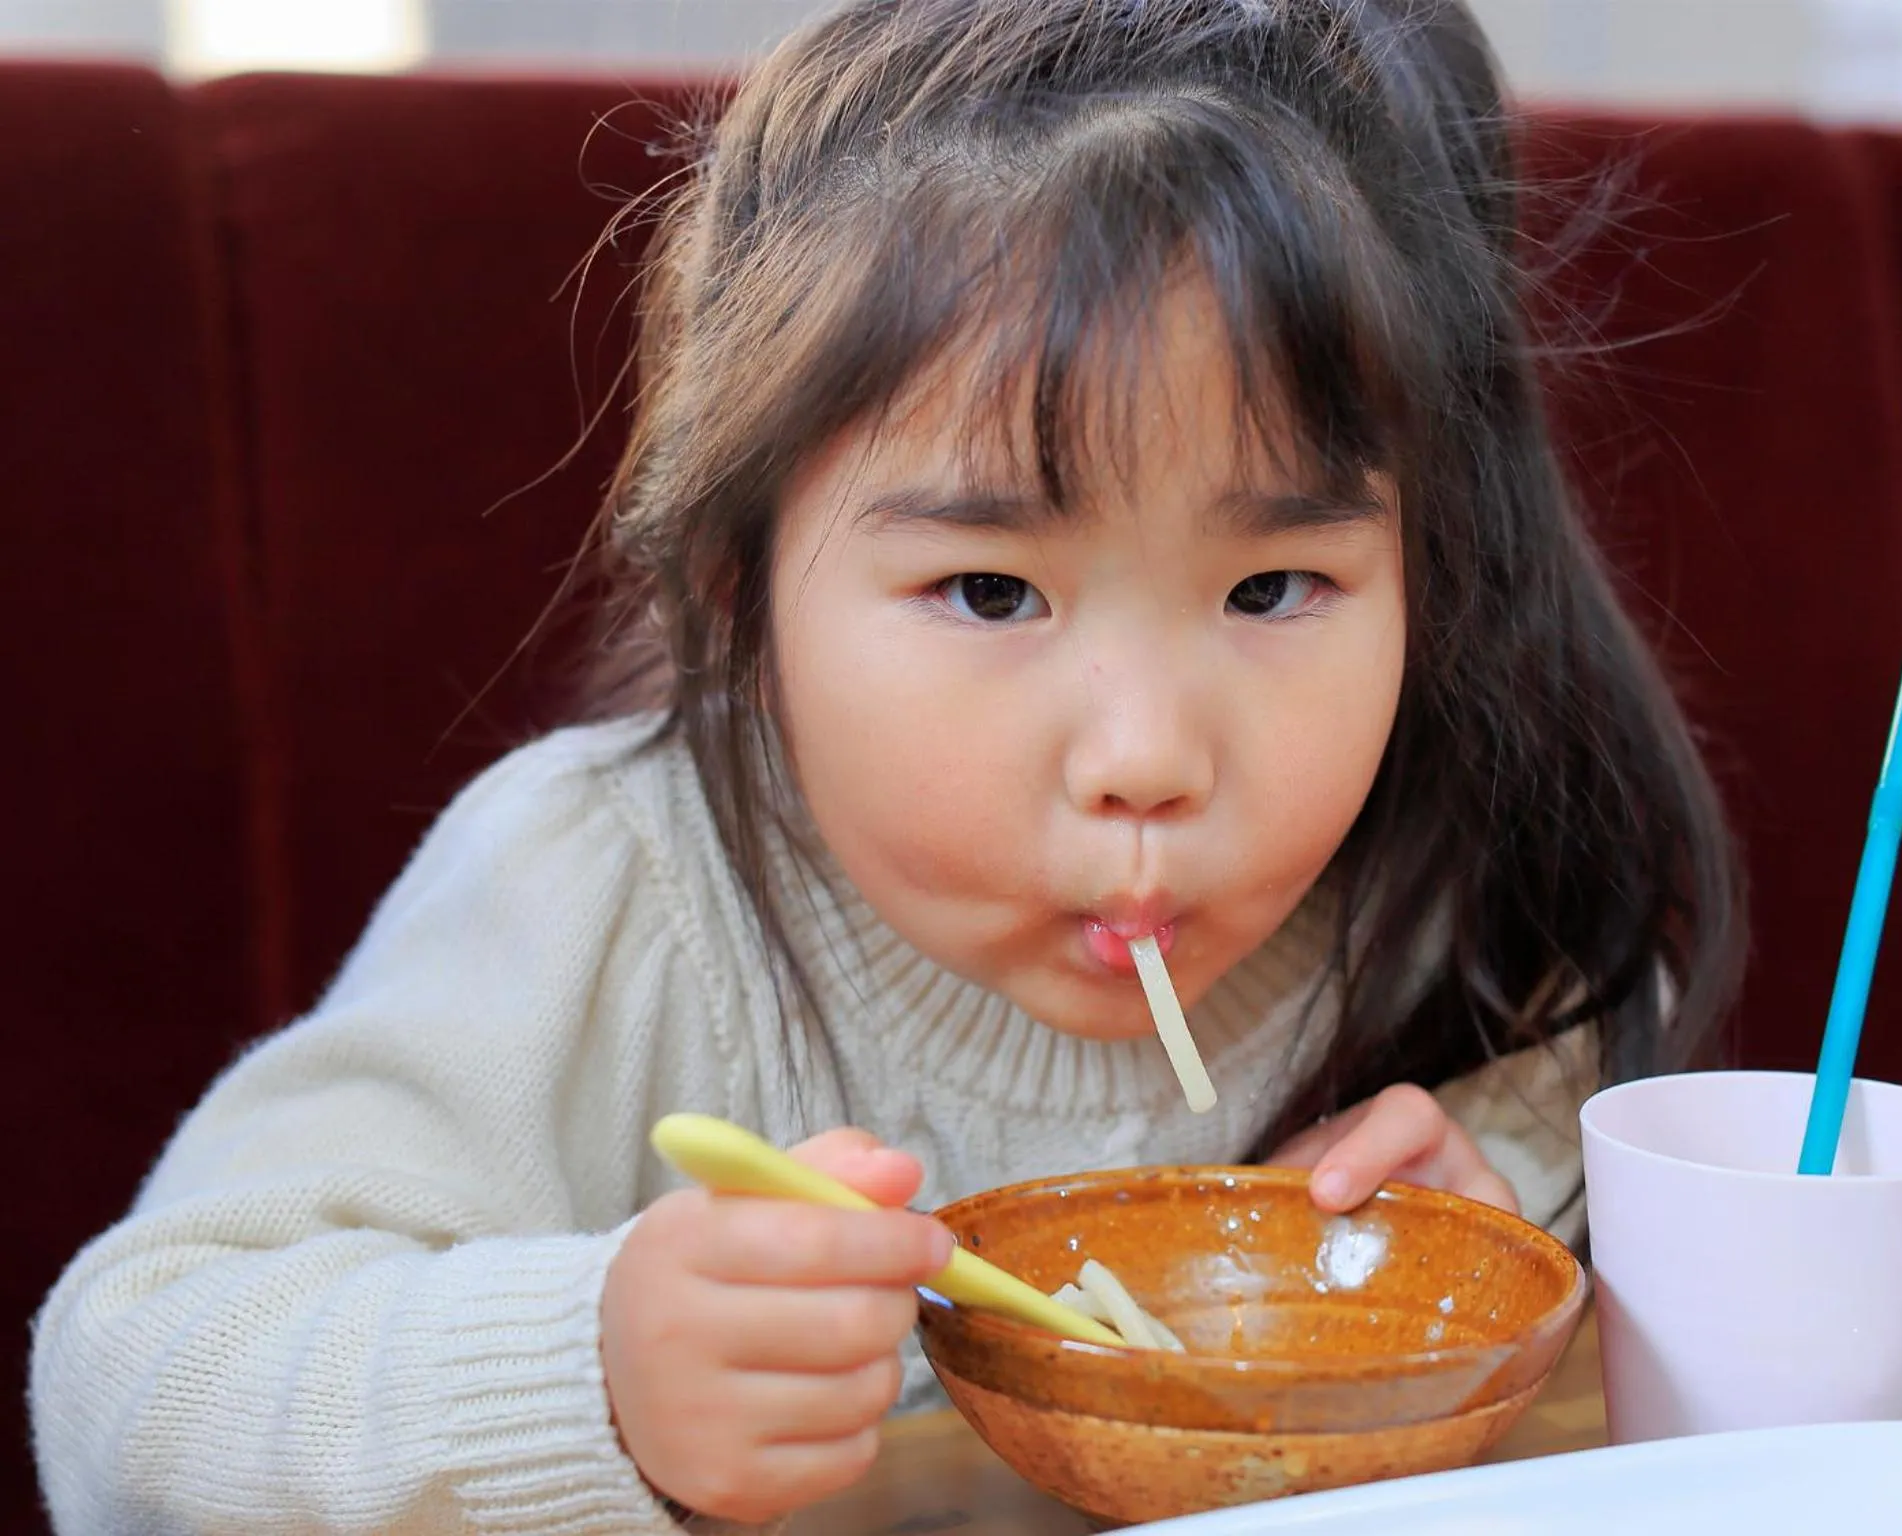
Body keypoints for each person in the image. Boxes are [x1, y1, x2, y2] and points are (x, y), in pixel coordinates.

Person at [31, 1, 1744, 1530]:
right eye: (991, 590)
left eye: (1273, 587)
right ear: (740, 584)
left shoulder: (1434, 889)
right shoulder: (606, 889)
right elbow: (128, 1387)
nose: (1146, 759)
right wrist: (595, 1376)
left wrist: (1492, 1205)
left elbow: (1578, 1076)